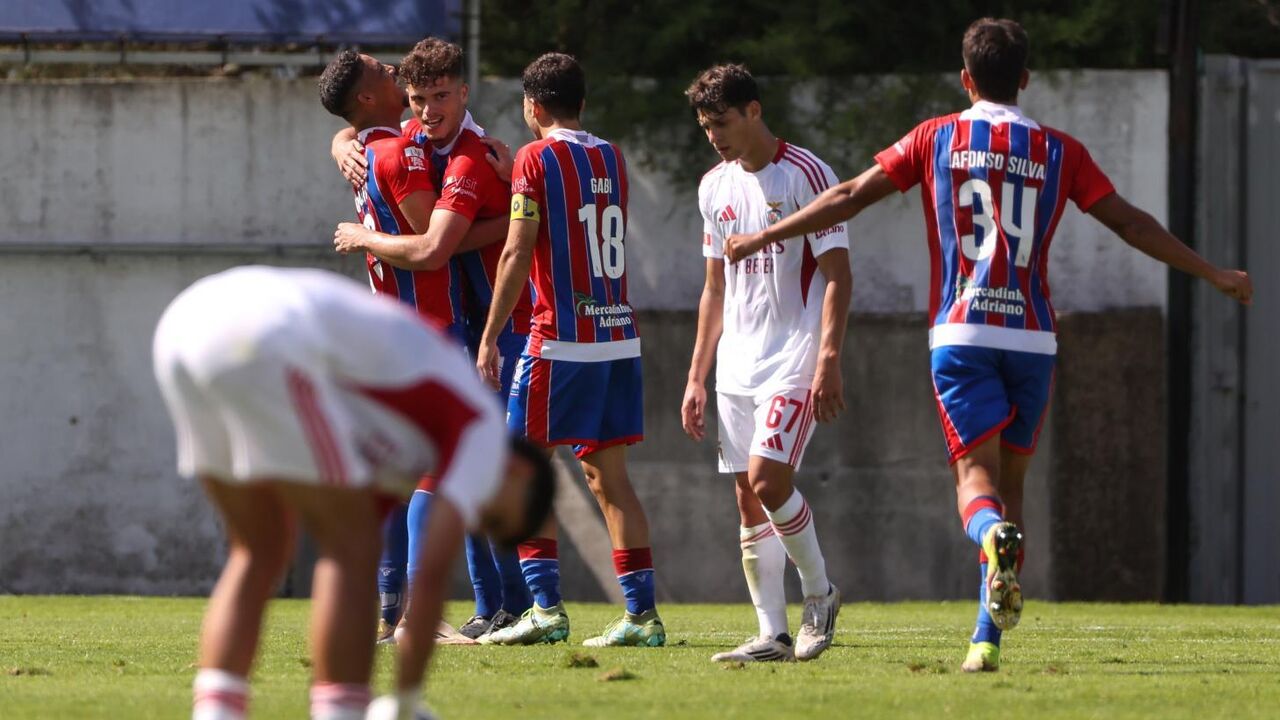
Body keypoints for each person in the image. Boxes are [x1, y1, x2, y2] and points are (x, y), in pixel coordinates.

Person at [724, 17, 1254, 673]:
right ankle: (985, 641)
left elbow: (852, 195)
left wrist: (763, 236)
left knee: (976, 487)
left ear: (965, 79)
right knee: (1013, 488)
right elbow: (1130, 222)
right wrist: (1212, 272)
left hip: (964, 334)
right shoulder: (1060, 150)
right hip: (1032, 337)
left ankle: (990, 540)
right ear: (1024, 79)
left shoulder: (936, 136)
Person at [154, 266, 555, 720]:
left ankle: (217, 712)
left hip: (185, 327)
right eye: (494, 517)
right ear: (519, 471)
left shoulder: (408, 442)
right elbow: (430, 579)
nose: (476, 522)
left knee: (258, 550)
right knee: (350, 548)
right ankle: (340, 711)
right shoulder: (481, 426)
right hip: (267, 335)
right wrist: (405, 700)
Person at [330, 38, 538, 642]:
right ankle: (469, 608)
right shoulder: (406, 148)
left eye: (439, 96)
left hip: (500, 327)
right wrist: (341, 141)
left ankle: (485, 606)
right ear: (386, 97)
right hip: (441, 331)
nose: (426, 107)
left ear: (464, 93)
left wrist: (527, 208)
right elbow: (431, 245)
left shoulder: (464, 156)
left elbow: (432, 247)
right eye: (416, 96)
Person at [476, 52, 665, 647]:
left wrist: (489, 335)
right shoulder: (611, 156)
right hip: (616, 337)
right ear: (581, 103)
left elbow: (517, 249)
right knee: (609, 479)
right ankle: (642, 617)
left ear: (531, 106)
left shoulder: (534, 159)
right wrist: (517, 175)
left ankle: (545, 609)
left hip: (559, 340)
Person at [680, 64, 850, 663]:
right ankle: (771, 633)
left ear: (753, 111)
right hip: (736, 362)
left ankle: (820, 593)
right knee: (747, 499)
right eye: (705, 126)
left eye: (722, 122)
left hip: (794, 356)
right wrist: (697, 376)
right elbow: (714, 289)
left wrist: (828, 358)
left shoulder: (808, 174)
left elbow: (838, 276)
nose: (714, 136)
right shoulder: (712, 187)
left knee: (768, 480)